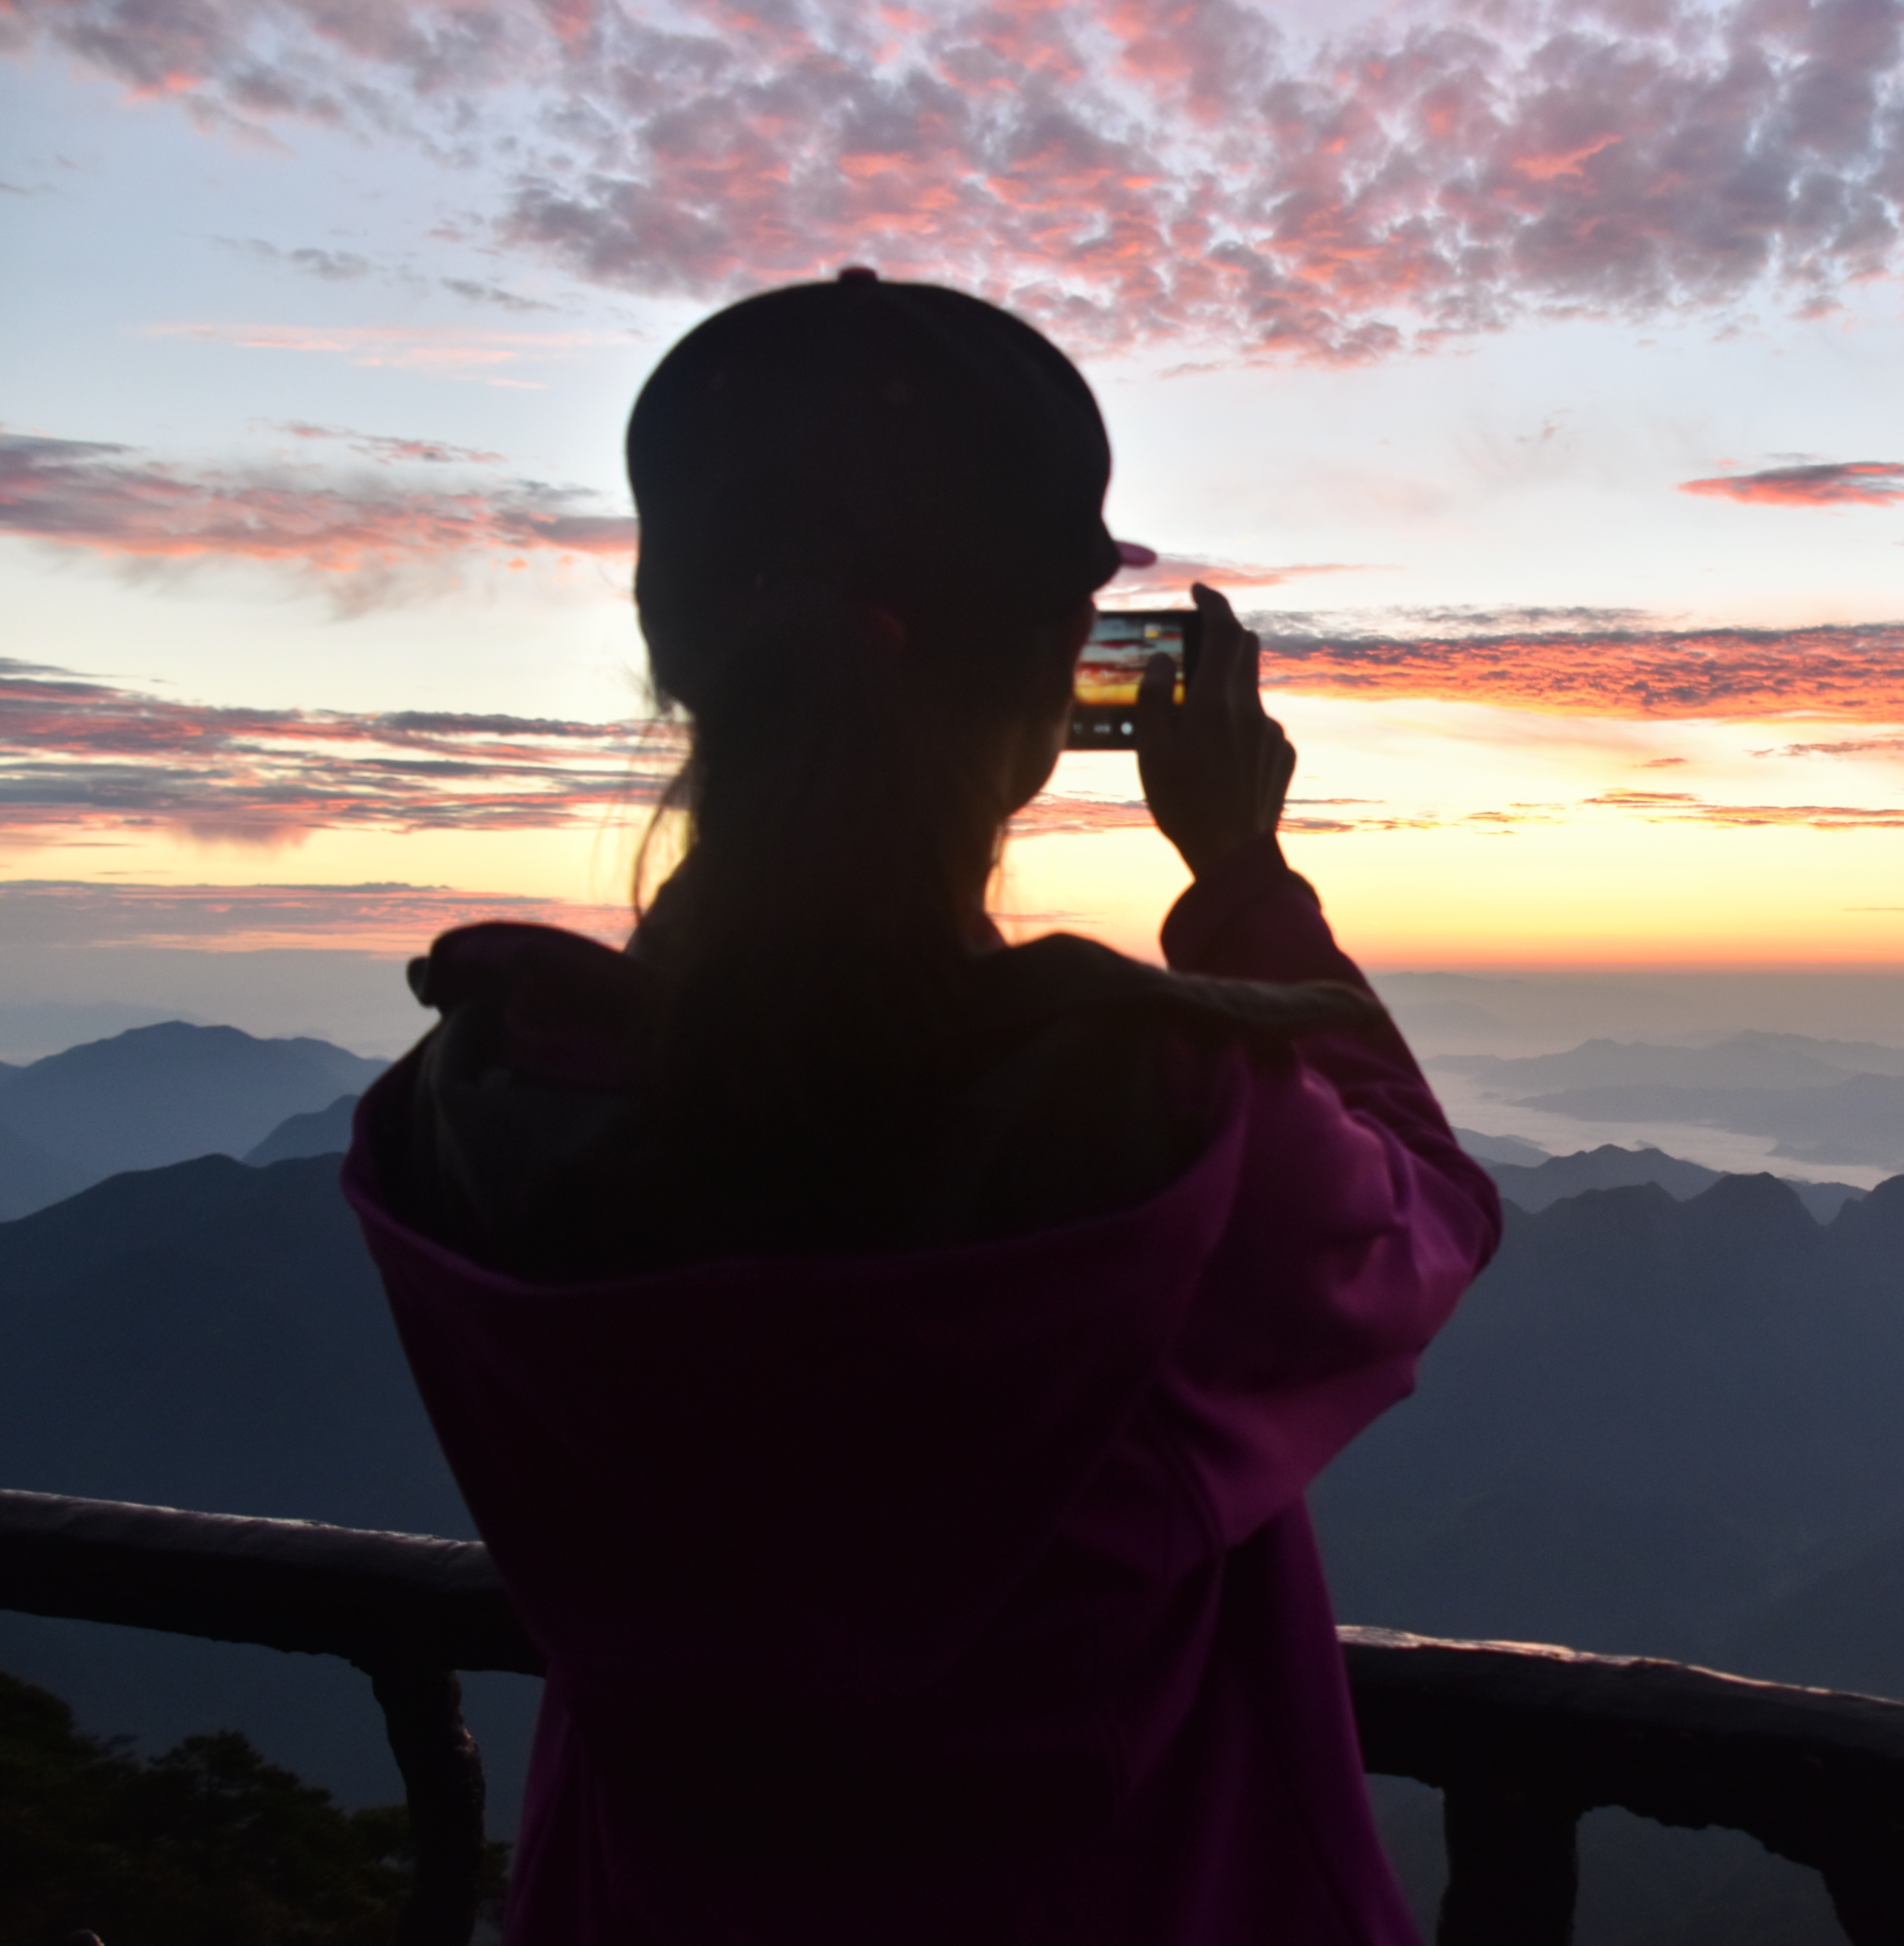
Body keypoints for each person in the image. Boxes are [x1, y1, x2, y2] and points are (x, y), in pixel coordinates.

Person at [340, 270, 1503, 1942]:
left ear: (675, 654)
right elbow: (1432, 1223)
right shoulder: (1157, 1114)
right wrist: (1243, 878)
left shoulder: (469, 1112)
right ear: (1059, 675)